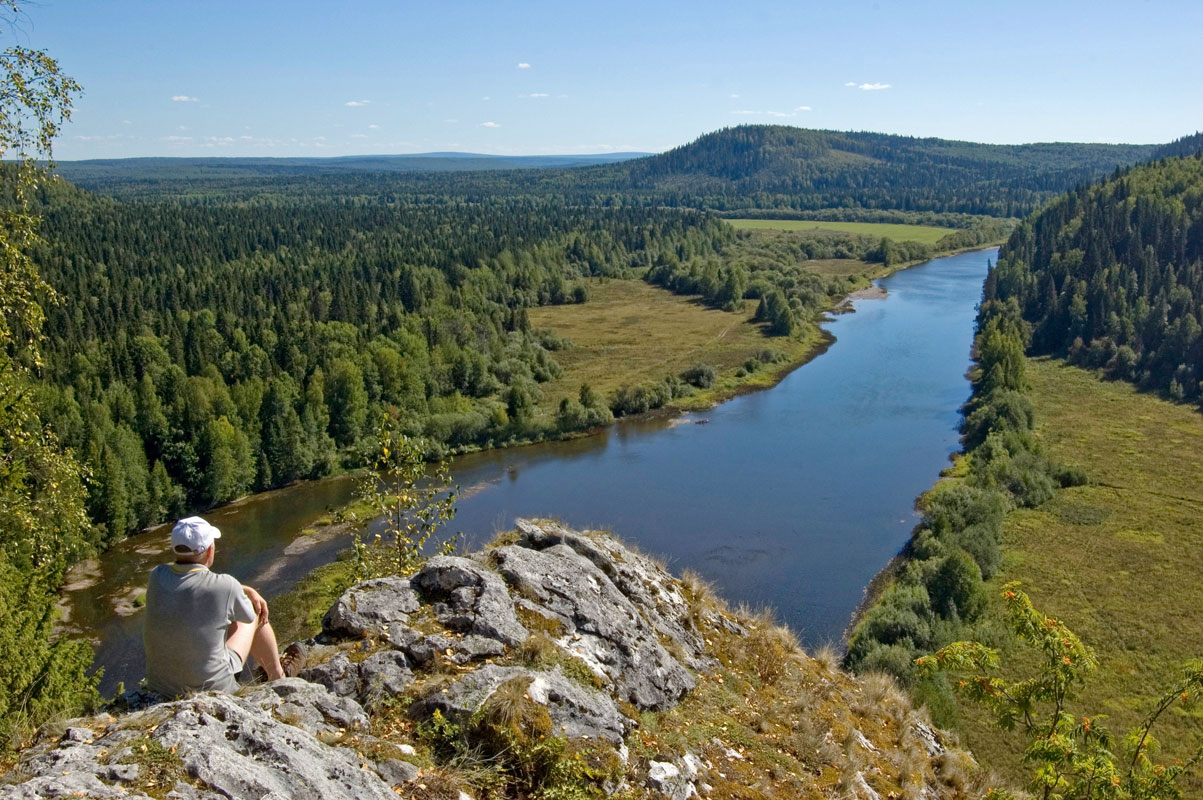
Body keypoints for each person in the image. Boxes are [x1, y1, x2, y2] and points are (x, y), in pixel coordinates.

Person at [143, 516, 304, 697]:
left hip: (162, 688)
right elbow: (247, 617)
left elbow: (190, 588)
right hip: (213, 688)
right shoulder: (225, 585)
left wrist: (243, 589)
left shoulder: (156, 575)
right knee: (254, 609)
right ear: (210, 550)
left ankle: (275, 674)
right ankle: (277, 676)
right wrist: (248, 592)